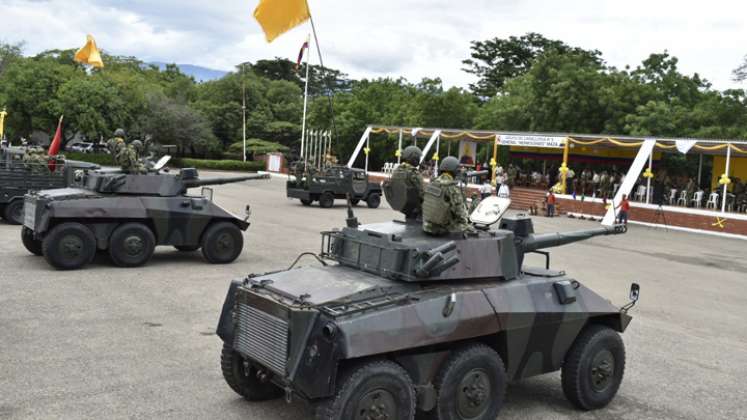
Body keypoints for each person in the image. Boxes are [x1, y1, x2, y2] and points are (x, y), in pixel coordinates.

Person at [422, 156, 474, 236]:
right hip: (441, 230)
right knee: (468, 228)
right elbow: (461, 215)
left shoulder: (432, 184)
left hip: (427, 226)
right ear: (455, 171)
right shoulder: (451, 188)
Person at [389, 145, 425, 218]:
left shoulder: (397, 171)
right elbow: (422, 193)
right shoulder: (413, 173)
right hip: (415, 208)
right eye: (418, 157)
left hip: (403, 206)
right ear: (414, 158)